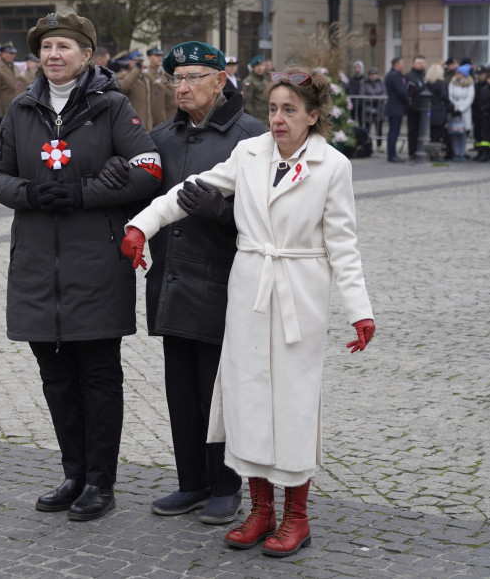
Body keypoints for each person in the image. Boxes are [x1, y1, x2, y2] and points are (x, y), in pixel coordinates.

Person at [121, 67, 375, 558]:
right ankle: (260, 510)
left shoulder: (333, 165)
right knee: (246, 396)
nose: (278, 119)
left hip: (300, 292)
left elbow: (343, 244)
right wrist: (141, 226)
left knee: (294, 402)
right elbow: (185, 191)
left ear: (313, 116)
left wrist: (359, 311)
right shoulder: (249, 151)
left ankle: (296, 517)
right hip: (248, 288)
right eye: (274, 108)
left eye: (290, 110)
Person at [0, 11, 161, 522]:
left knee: (99, 376)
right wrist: (33, 192)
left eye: (64, 46)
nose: (53, 55)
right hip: (38, 265)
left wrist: (84, 192)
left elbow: (148, 168)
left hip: (97, 264)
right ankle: (73, 473)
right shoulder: (22, 108)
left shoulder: (111, 106)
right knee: (56, 376)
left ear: (87, 55)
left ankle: (100, 482)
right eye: (46, 48)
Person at [141, 41, 263, 526]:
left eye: (194, 77)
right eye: (176, 79)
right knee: (180, 388)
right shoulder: (163, 137)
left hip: (223, 280)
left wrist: (223, 211)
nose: (183, 87)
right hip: (171, 278)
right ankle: (190, 481)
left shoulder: (251, 137)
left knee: (220, 389)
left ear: (221, 80)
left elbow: (270, 214)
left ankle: (226, 484)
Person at [116, 50, 152, 130]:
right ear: (129, 62)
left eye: (142, 61)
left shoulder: (144, 77)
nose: (140, 64)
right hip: (132, 125)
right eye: (137, 61)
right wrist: (136, 70)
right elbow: (123, 88)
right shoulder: (123, 75)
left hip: (146, 125)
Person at [447, 65, 475, 162]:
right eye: (457, 72)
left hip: (465, 111)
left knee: (462, 133)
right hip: (454, 109)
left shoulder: (469, 84)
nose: (457, 74)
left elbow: (470, 98)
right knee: (454, 132)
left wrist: (461, 109)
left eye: (459, 73)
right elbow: (450, 95)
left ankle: (462, 153)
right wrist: (454, 107)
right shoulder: (453, 82)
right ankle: (456, 152)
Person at [384, 57, 409, 162]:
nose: (403, 66)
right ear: (397, 64)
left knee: (392, 132)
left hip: (393, 107)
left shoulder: (390, 74)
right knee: (394, 132)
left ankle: (392, 154)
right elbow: (401, 91)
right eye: (402, 64)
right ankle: (392, 155)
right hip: (396, 107)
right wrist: (408, 100)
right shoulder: (395, 76)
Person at [404, 55, 426, 160]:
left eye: (423, 63)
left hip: (423, 108)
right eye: (418, 63)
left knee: (421, 131)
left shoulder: (424, 76)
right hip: (413, 109)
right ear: (413, 64)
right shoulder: (409, 76)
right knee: (413, 131)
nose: (421, 65)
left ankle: (420, 149)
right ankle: (412, 152)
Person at [424, 63, 452, 144]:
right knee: (439, 133)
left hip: (429, 110)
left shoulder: (427, 84)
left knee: (433, 134)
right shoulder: (442, 83)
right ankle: (436, 152)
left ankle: (433, 151)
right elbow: (444, 96)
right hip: (439, 111)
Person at [359, 67, 385, 144]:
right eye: (372, 75)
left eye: (375, 74)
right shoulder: (364, 83)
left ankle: (379, 145)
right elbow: (362, 94)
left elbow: (384, 92)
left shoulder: (380, 82)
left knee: (379, 128)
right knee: (367, 128)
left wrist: (379, 98)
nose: (373, 76)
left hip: (379, 108)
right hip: (368, 109)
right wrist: (372, 99)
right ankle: (367, 144)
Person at [242, 56, 270, 123]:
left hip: (268, 116)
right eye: (257, 66)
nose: (260, 68)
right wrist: (252, 118)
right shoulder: (249, 81)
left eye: (261, 65)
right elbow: (247, 102)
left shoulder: (267, 79)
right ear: (253, 68)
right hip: (257, 117)